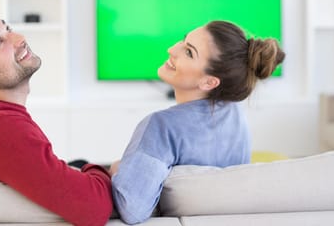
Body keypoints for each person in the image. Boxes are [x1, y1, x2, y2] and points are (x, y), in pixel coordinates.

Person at [0, 5, 112, 226]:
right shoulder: (3, 129)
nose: (19, 39)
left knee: (77, 164)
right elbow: (95, 209)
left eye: (7, 28)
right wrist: (104, 171)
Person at [109, 20, 285, 224]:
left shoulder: (161, 126)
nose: (172, 49)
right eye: (184, 41)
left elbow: (132, 209)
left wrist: (117, 169)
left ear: (210, 81)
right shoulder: (236, 115)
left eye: (189, 52)